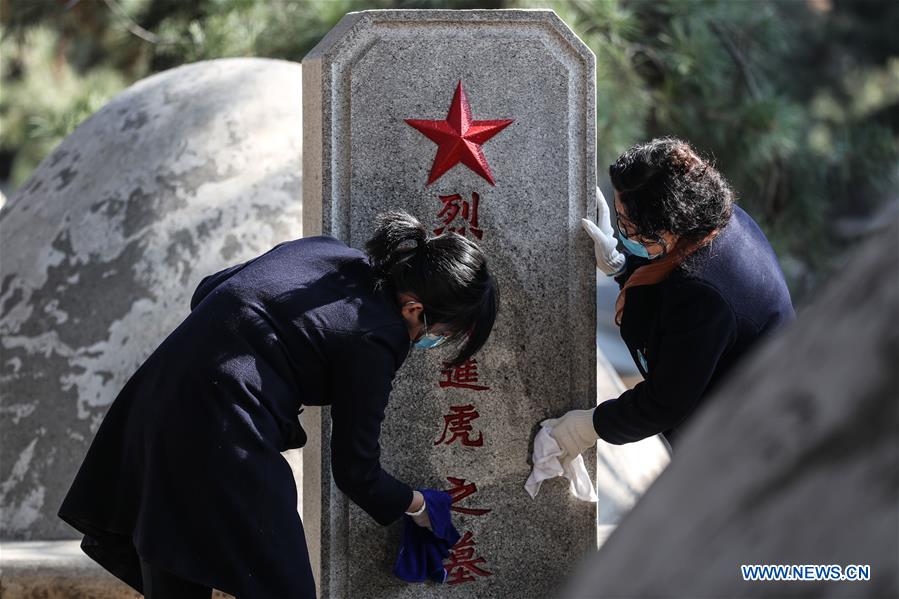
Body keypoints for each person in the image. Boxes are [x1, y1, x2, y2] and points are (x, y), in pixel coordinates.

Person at [58, 210, 498, 599]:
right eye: (444, 332)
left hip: (152, 403)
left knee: (174, 570)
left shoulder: (325, 253)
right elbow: (355, 471)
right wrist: (419, 505)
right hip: (223, 432)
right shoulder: (376, 337)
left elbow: (208, 289)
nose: (437, 343)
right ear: (414, 309)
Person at [543, 137, 794, 461]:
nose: (623, 234)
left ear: (672, 226)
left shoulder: (706, 295)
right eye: (621, 220)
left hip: (743, 446)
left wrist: (588, 427)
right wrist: (623, 267)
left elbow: (664, 402)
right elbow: (664, 277)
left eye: (632, 229)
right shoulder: (710, 221)